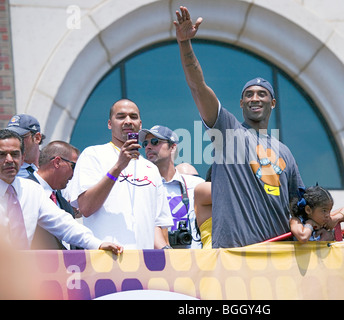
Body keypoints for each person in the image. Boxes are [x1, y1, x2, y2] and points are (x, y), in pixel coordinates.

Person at [174, 6, 304, 248]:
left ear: (273, 103)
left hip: (278, 257)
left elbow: (299, 205)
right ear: (241, 103)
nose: (255, 98)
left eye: (262, 94)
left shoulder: (285, 153)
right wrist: (184, 43)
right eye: (249, 94)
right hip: (235, 258)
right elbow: (198, 87)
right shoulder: (229, 132)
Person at [68, 99, 173, 249]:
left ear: (140, 124)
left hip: (144, 264)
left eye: (133, 117)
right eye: (121, 116)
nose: (128, 121)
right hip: (105, 261)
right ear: (110, 124)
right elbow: (86, 207)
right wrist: (118, 167)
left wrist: (167, 253)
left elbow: (156, 224)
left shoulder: (151, 168)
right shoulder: (93, 155)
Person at [0, 129, 122, 254]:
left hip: (21, 269)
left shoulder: (32, 191)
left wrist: (97, 244)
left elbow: (63, 224)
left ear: (22, 158)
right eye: (2, 154)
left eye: (15, 154)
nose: (9, 160)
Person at [139, 125, 204, 248]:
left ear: (172, 147)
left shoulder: (195, 185)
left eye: (155, 141)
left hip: (194, 261)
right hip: (158, 261)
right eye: (145, 144)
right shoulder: (142, 186)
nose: (148, 147)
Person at [27, 141, 80, 250]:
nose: (74, 174)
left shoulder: (66, 206)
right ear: (57, 162)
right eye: (73, 166)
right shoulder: (22, 192)